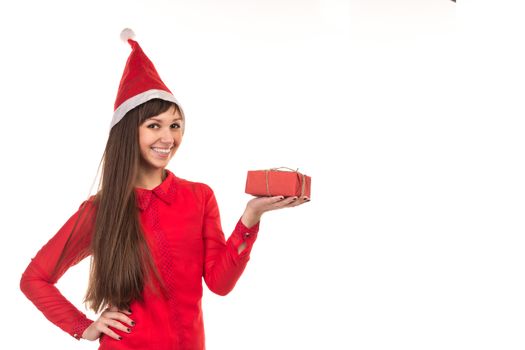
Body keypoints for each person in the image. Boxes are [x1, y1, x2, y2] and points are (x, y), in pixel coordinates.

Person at [19, 28, 309, 350]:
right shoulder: (102, 210)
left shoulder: (199, 197)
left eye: (175, 125)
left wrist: (251, 217)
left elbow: (220, 283)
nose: (168, 138)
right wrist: (83, 327)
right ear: (129, 132)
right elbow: (35, 279)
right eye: (154, 126)